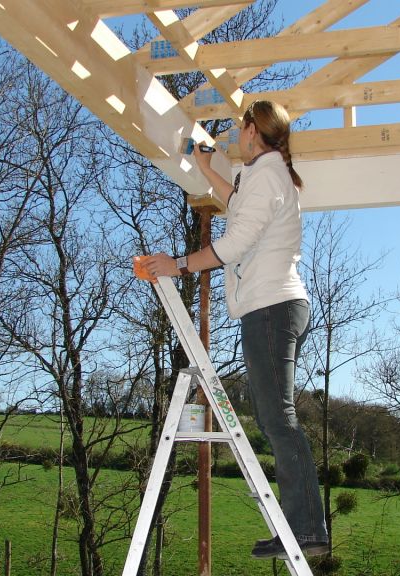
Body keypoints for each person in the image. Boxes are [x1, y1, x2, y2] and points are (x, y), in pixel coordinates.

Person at [140, 100, 329, 559]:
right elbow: (237, 204)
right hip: (275, 307)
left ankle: (307, 529)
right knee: (274, 418)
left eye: (240, 128)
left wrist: (180, 264)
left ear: (250, 131)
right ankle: (301, 527)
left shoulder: (267, 175)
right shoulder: (268, 174)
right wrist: (205, 166)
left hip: (271, 308)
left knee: (278, 420)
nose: (237, 135)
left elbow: (236, 241)